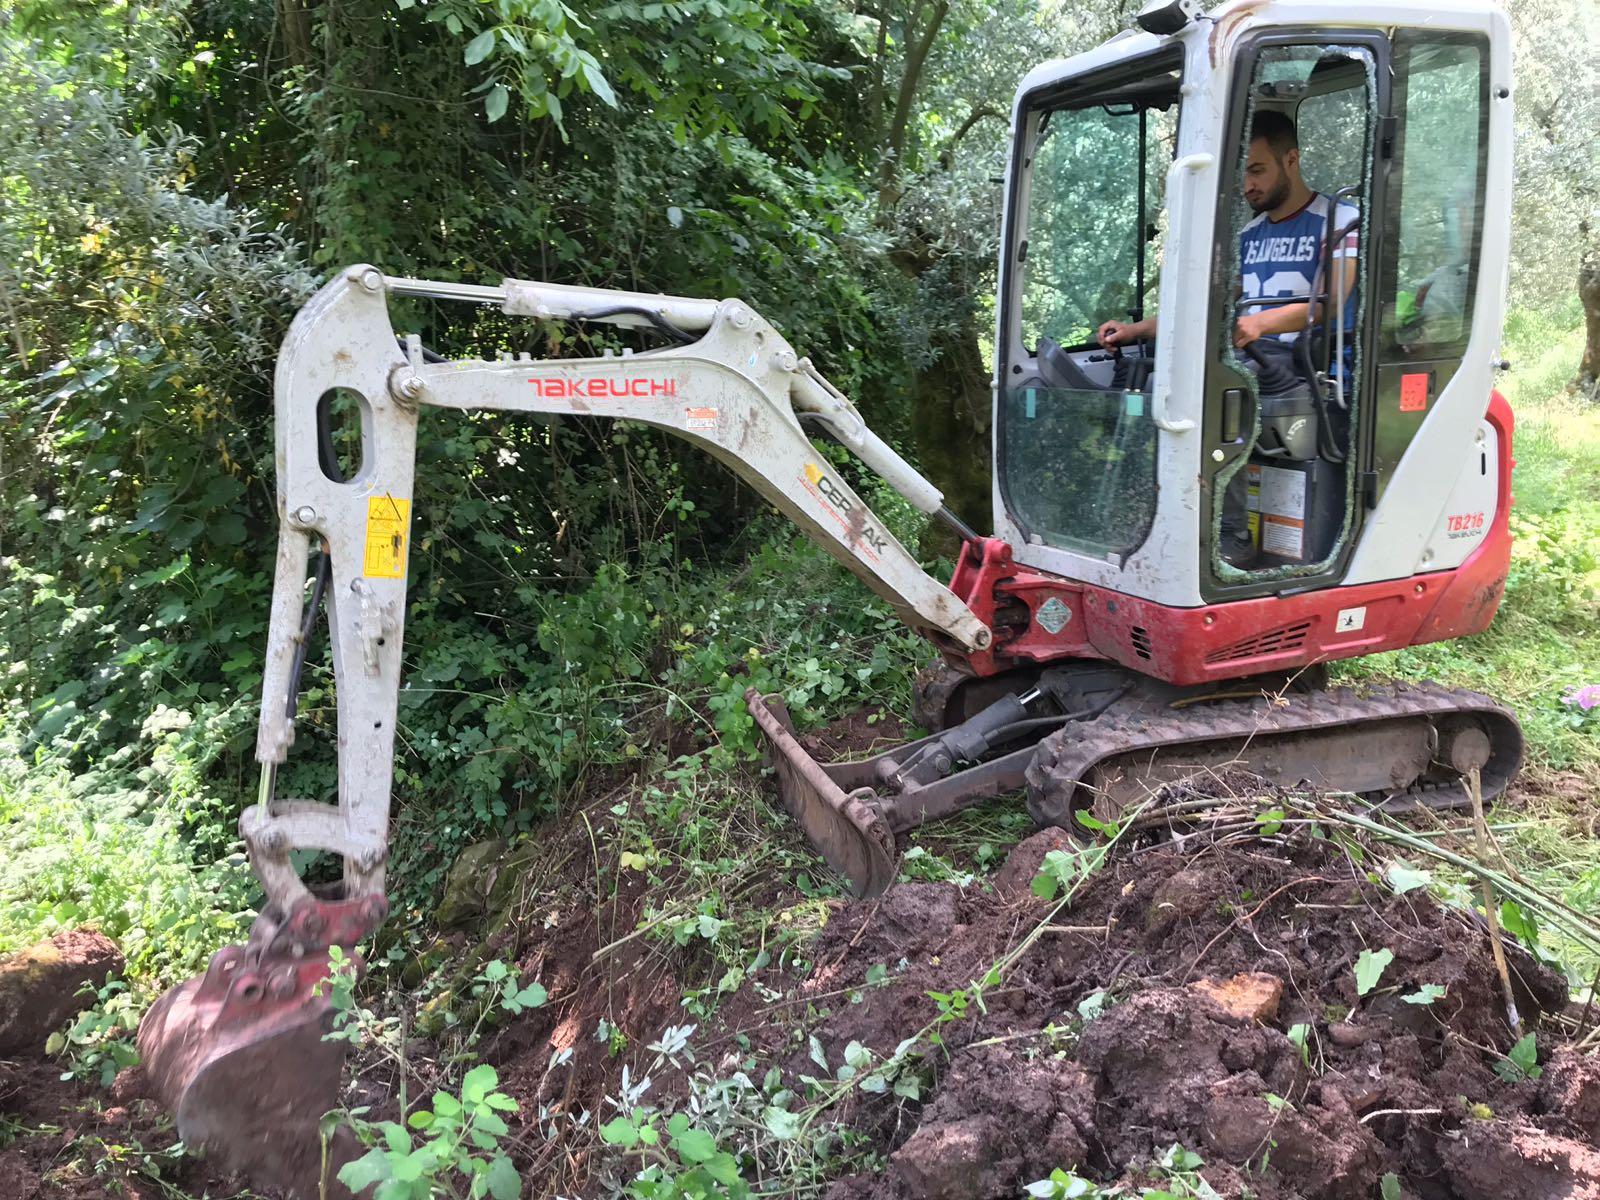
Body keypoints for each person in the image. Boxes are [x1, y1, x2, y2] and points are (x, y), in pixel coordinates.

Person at [1094, 110, 1359, 567]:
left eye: (1257, 170)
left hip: (1304, 364)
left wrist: (1262, 323)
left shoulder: (1338, 220)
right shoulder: (1248, 236)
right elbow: (1202, 307)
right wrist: (1134, 330)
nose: (1248, 186)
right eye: (1243, 174)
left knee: (1217, 396)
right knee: (1149, 384)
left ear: (1291, 160)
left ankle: (1233, 533)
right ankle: (1154, 520)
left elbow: (1334, 301)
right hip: (1250, 354)